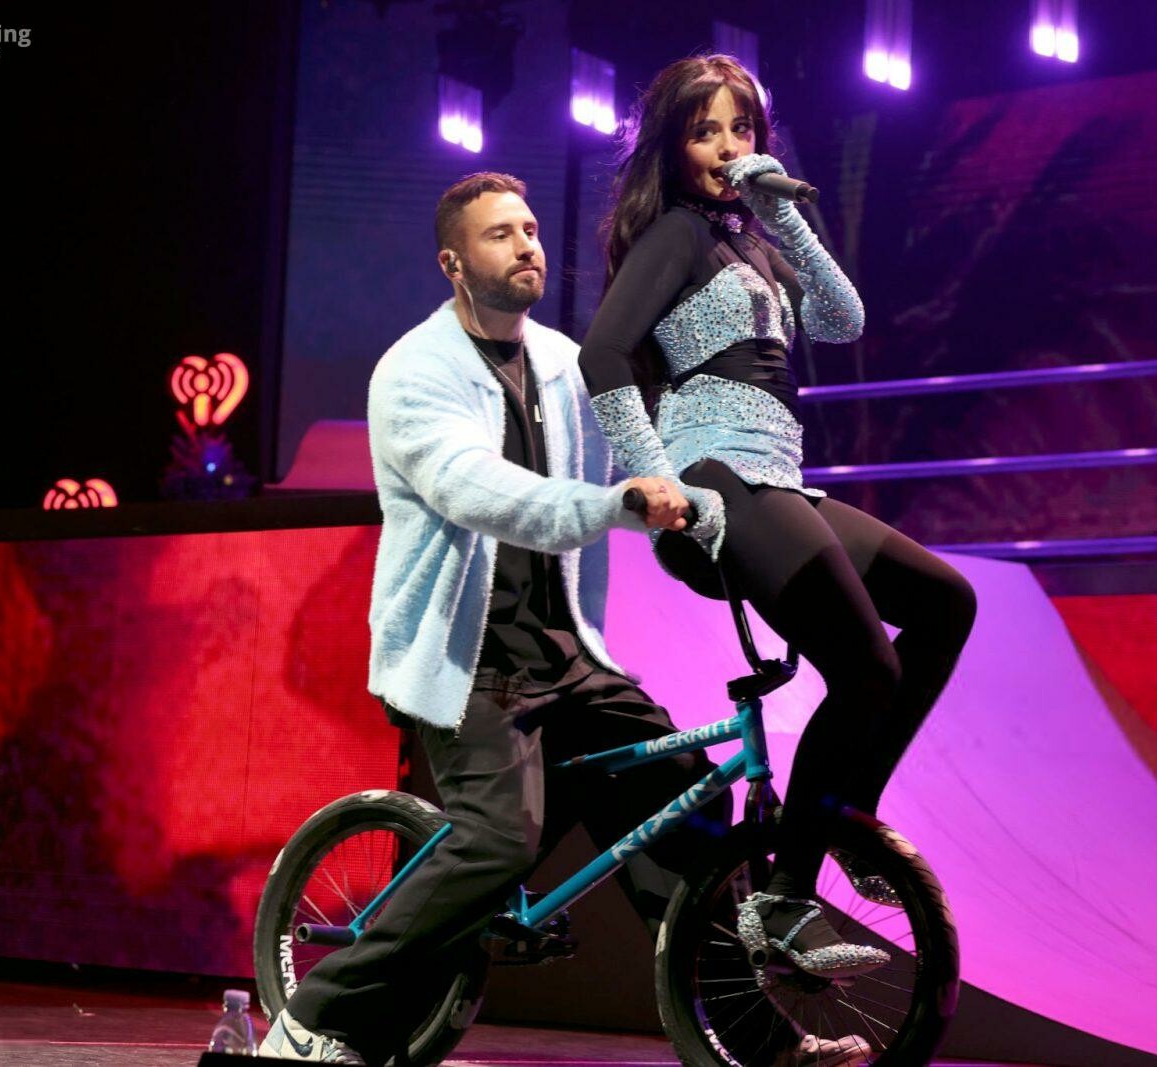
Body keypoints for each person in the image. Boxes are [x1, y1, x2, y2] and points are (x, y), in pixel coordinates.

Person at [260, 173, 868, 1067]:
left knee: (688, 804)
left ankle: (760, 1045)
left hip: (567, 654)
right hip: (469, 659)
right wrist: (617, 504)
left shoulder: (561, 362)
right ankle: (310, 1020)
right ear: (453, 263)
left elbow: (643, 448)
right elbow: (481, 490)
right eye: (500, 234)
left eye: (532, 229)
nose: (526, 245)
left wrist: (735, 502)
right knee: (497, 841)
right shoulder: (414, 372)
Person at [580, 56, 978, 980]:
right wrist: (655, 482)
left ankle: (846, 817)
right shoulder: (677, 234)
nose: (728, 148)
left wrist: (782, 211)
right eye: (705, 132)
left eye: (743, 129)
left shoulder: (751, 242)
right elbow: (603, 354)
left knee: (945, 603)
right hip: (713, 479)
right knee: (867, 665)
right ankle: (785, 900)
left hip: (780, 480)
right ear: (673, 148)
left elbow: (843, 319)